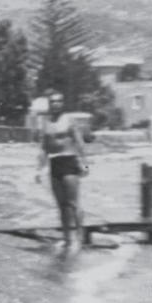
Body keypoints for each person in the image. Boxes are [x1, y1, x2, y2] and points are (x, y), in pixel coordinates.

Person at [35, 91, 89, 254]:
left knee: (73, 203)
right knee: (61, 206)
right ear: (49, 104)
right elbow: (44, 148)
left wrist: (85, 164)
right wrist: (38, 169)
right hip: (54, 163)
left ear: (62, 103)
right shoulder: (45, 123)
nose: (55, 104)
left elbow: (79, 142)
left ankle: (80, 238)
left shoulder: (69, 120)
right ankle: (67, 239)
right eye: (53, 102)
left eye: (58, 101)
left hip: (69, 161)